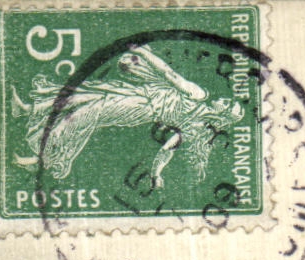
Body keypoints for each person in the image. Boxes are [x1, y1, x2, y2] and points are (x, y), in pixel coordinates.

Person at [13, 43, 243, 190]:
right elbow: (166, 151)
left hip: (141, 106)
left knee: (86, 114)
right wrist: (156, 174)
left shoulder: (199, 96)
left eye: (228, 104)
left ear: (223, 113)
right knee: (85, 95)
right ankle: (27, 109)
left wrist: (141, 51)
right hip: (140, 94)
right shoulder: (196, 123)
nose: (224, 99)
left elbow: (169, 74)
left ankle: (45, 159)